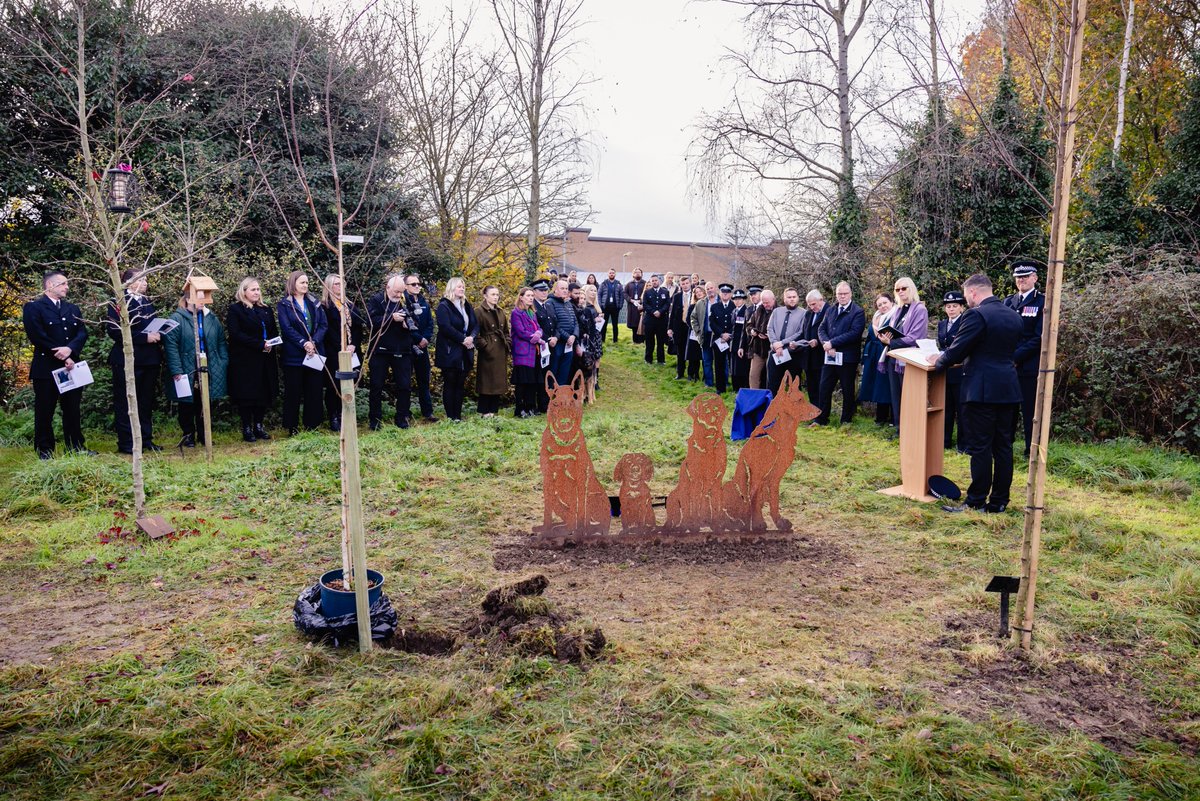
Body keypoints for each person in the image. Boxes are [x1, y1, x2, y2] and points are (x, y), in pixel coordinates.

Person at [929, 273, 1023, 513]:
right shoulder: (1013, 315)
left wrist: (938, 361)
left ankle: (976, 501)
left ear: (972, 292)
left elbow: (958, 350)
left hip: (981, 390)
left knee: (980, 446)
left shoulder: (976, 314)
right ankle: (1000, 501)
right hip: (1009, 388)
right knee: (1003, 446)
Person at [22, 270, 93, 459]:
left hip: (71, 367)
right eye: (63, 284)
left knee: (72, 410)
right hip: (46, 368)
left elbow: (82, 333)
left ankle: (76, 447)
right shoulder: (34, 308)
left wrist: (70, 350)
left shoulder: (72, 309)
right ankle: (45, 450)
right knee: (45, 411)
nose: (67, 287)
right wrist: (62, 355)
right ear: (50, 285)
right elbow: (37, 336)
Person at [106, 269, 164, 454]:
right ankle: (126, 442)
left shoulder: (146, 301)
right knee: (126, 401)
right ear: (129, 282)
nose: (146, 282)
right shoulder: (118, 301)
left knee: (146, 402)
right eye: (142, 279)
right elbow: (115, 331)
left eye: (146, 279)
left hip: (150, 360)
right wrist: (144, 338)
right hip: (128, 359)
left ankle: (145, 439)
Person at [163, 295, 228, 448]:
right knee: (186, 403)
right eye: (199, 298)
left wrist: (223, 361)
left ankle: (204, 434)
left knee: (205, 401)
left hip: (208, 366)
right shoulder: (175, 318)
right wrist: (177, 370)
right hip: (186, 367)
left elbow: (221, 342)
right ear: (188, 299)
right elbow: (170, 346)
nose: (202, 301)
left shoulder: (211, 318)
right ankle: (188, 435)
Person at [226, 277, 278, 442]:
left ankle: (259, 425)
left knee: (263, 392)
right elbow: (236, 334)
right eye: (253, 289)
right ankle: (247, 427)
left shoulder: (266, 309)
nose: (256, 292)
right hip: (245, 359)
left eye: (258, 289)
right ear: (244, 291)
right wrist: (259, 344)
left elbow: (273, 331)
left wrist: (272, 343)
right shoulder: (236, 309)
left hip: (265, 358)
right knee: (247, 395)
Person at [277, 270, 328, 435]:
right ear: (293, 284)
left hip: (314, 353)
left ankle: (312, 425)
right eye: (302, 283)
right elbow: (286, 328)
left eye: (307, 282)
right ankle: (292, 427)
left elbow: (323, 325)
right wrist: (303, 342)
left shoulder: (314, 302)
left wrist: (314, 342)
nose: (305, 285)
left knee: (314, 390)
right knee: (293, 392)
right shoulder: (285, 304)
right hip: (294, 355)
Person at [1004, 260, 1045, 458]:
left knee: (1030, 411)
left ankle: (1031, 449)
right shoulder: (1008, 302)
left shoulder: (1042, 302)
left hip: (1028, 365)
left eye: (1025, 276)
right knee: (1007, 409)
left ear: (1035, 278)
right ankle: (1006, 447)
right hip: (1007, 366)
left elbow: (1039, 338)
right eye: (1018, 277)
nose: (1021, 280)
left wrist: (1016, 357)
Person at [877, 277, 929, 431]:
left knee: (908, 397)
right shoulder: (898, 310)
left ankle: (911, 430)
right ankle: (900, 428)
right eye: (897, 289)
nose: (900, 292)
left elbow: (916, 337)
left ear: (911, 288)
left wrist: (891, 342)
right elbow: (894, 333)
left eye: (903, 288)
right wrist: (885, 338)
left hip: (909, 360)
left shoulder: (920, 309)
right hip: (894, 357)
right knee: (896, 395)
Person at [366, 275, 415, 430]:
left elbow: (416, 320)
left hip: (402, 349)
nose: (398, 295)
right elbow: (370, 322)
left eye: (401, 292)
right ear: (387, 288)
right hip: (380, 350)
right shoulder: (376, 300)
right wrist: (391, 318)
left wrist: (408, 324)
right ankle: (375, 420)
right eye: (396, 292)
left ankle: (402, 418)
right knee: (376, 386)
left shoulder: (406, 300)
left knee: (405, 386)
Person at [814, 281, 865, 426]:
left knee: (848, 389)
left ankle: (846, 420)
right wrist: (826, 344)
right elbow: (821, 329)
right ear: (836, 295)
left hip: (847, 358)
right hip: (830, 356)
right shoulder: (830, 310)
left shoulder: (858, 312)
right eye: (839, 294)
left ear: (850, 294)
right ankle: (821, 419)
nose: (842, 296)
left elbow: (854, 333)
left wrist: (833, 343)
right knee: (824, 387)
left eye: (845, 293)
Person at [320, 273, 365, 432]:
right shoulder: (324, 306)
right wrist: (341, 345)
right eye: (336, 284)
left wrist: (353, 344)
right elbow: (325, 329)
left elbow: (358, 328)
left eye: (341, 283)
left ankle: (346, 414)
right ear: (329, 286)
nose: (340, 287)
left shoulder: (350, 305)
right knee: (334, 385)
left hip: (351, 351)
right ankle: (334, 416)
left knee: (349, 383)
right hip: (334, 351)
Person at [435, 277, 478, 421]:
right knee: (450, 382)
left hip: (465, 351)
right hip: (450, 350)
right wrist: (462, 339)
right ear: (452, 288)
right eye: (459, 286)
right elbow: (445, 327)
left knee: (460, 383)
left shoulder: (466, 305)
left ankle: (458, 416)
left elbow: (475, 324)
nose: (462, 288)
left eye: (463, 286)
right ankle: (450, 416)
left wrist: (471, 337)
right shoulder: (444, 306)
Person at [404, 273, 437, 423]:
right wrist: (418, 338)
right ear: (405, 286)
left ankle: (427, 412)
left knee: (424, 380)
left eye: (418, 284)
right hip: (408, 346)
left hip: (422, 347)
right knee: (405, 382)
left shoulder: (424, 301)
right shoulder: (403, 301)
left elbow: (430, 323)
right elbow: (406, 324)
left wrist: (426, 339)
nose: (417, 286)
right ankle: (405, 412)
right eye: (413, 284)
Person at [938, 290, 967, 450]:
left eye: (955, 306)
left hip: (960, 371)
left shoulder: (965, 322)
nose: (951, 309)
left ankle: (962, 445)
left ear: (961, 307)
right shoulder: (942, 324)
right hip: (945, 372)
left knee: (961, 410)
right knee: (946, 409)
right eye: (948, 306)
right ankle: (945, 441)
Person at [475, 285, 511, 417]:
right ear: (485, 296)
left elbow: (506, 331)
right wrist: (485, 346)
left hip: (500, 349)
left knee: (498, 382)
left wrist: (507, 342)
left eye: (497, 294)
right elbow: (475, 332)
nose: (496, 297)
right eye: (492, 294)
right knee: (486, 381)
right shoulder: (479, 311)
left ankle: (493, 410)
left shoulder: (501, 312)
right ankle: (484, 411)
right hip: (488, 350)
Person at [859, 293, 894, 424]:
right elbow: (869, 337)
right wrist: (865, 357)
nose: (883, 306)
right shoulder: (876, 317)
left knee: (886, 385)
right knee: (877, 385)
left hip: (886, 353)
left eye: (885, 303)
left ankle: (891, 418)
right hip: (873, 355)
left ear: (891, 302)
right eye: (879, 305)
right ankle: (880, 417)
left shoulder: (894, 316)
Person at [510, 287, 544, 418]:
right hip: (522, 352)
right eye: (528, 295)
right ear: (521, 297)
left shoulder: (532, 313)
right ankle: (520, 409)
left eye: (532, 296)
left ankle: (530, 407)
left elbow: (539, 327)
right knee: (522, 382)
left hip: (534, 352)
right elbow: (520, 331)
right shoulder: (516, 313)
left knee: (532, 381)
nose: (531, 298)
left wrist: (539, 333)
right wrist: (534, 337)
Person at [766, 288, 806, 395]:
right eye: (789, 297)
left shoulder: (804, 313)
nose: (792, 299)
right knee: (773, 384)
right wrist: (775, 344)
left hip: (793, 354)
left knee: (794, 386)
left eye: (794, 297)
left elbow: (800, 333)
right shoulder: (776, 311)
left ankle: (794, 410)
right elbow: (770, 329)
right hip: (776, 353)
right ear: (784, 299)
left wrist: (782, 343)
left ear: (797, 298)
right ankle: (772, 409)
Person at [544, 278, 579, 388]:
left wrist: (574, 335)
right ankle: (552, 398)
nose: (565, 290)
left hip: (569, 344)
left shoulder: (568, 303)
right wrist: (567, 336)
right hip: (558, 343)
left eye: (566, 288)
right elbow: (555, 325)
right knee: (554, 371)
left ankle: (561, 398)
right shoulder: (550, 303)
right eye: (562, 288)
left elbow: (575, 322)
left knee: (565, 372)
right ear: (555, 290)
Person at [795, 289, 828, 404]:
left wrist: (818, 342)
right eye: (809, 305)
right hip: (808, 356)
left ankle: (821, 413)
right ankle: (813, 411)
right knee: (811, 387)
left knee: (822, 387)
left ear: (821, 299)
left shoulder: (829, 311)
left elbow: (830, 333)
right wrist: (795, 342)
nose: (812, 307)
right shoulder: (809, 313)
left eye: (813, 304)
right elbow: (804, 332)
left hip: (822, 356)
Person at [576, 284, 605, 402]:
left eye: (595, 290)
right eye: (591, 290)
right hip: (587, 337)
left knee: (597, 358)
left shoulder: (596, 305)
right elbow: (585, 322)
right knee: (589, 361)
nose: (593, 292)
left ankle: (595, 381)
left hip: (596, 335)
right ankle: (588, 388)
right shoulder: (585, 306)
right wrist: (595, 320)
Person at [742, 289, 775, 390]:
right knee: (753, 375)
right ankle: (754, 399)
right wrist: (752, 331)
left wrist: (769, 336)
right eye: (763, 302)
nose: (765, 305)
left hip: (772, 349)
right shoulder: (758, 310)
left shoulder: (779, 311)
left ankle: (772, 399)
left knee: (771, 377)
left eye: (767, 302)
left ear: (773, 300)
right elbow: (749, 325)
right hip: (757, 349)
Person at [532, 278, 555, 413]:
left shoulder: (549, 305)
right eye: (541, 290)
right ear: (534, 292)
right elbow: (536, 327)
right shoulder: (533, 306)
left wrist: (555, 337)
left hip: (551, 345)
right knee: (539, 377)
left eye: (546, 290)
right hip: (539, 346)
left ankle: (547, 403)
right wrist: (547, 339)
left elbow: (554, 323)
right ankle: (539, 405)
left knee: (548, 375)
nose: (544, 292)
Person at [641, 273, 670, 364]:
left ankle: (661, 360)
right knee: (649, 341)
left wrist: (660, 312)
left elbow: (667, 304)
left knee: (660, 341)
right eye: (652, 281)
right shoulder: (647, 292)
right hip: (650, 320)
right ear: (650, 282)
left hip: (662, 320)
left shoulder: (665, 292)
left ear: (659, 281)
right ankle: (648, 359)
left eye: (656, 280)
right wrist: (653, 311)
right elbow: (645, 304)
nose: (654, 282)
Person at [668, 275, 693, 378]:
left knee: (691, 350)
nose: (685, 285)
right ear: (680, 285)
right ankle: (680, 373)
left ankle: (691, 374)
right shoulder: (677, 296)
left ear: (690, 283)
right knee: (680, 351)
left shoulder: (694, 295)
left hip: (691, 327)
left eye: (687, 283)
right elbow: (673, 313)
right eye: (683, 284)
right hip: (679, 327)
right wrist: (670, 328)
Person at [730, 288, 752, 391]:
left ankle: (742, 388)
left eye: (739, 299)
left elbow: (744, 330)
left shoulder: (746, 311)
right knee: (733, 367)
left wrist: (742, 346)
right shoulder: (734, 311)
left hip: (742, 343)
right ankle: (735, 387)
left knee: (741, 368)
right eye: (735, 299)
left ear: (743, 300)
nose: (737, 301)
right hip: (733, 343)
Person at [684, 285, 705, 381]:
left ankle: (705, 376)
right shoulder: (692, 306)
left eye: (700, 291)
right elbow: (688, 319)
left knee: (703, 355)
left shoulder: (708, 304)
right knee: (693, 355)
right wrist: (696, 329)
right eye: (696, 292)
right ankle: (692, 374)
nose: (699, 293)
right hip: (694, 333)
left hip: (705, 334)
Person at [599, 269, 623, 343]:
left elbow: (621, 295)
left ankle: (615, 340)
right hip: (605, 307)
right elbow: (599, 294)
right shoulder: (603, 283)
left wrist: (620, 306)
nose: (611, 274)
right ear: (608, 274)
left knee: (615, 325)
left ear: (615, 274)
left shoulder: (619, 284)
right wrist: (601, 305)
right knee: (604, 325)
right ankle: (602, 340)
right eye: (610, 273)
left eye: (613, 273)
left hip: (615, 308)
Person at [624, 267, 646, 344]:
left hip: (642, 306)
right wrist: (630, 300)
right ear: (633, 274)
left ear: (642, 274)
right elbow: (625, 293)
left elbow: (647, 292)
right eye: (636, 272)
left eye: (639, 272)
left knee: (642, 323)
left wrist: (641, 300)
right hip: (632, 307)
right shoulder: (629, 284)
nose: (637, 273)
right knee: (634, 324)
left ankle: (642, 340)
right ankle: (635, 341)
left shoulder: (645, 283)